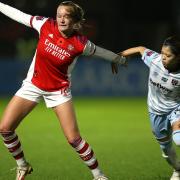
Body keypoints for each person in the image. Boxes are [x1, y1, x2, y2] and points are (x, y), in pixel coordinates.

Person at [0, 1, 126, 180]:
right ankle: (22, 165)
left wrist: (119, 59)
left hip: (59, 91)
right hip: (33, 85)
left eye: (66, 16)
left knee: (74, 139)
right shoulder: (44, 24)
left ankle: (99, 176)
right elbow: (19, 15)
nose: (61, 19)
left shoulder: (80, 43)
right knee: (5, 128)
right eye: (59, 15)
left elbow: (101, 52)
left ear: (74, 21)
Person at [118, 36, 180, 180]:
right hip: (156, 111)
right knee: (166, 151)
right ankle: (177, 169)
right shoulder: (155, 60)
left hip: (175, 109)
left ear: (178, 57)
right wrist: (120, 56)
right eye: (162, 53)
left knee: (178, 139)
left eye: (168, 55)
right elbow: (141, 49)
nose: (163, 57)